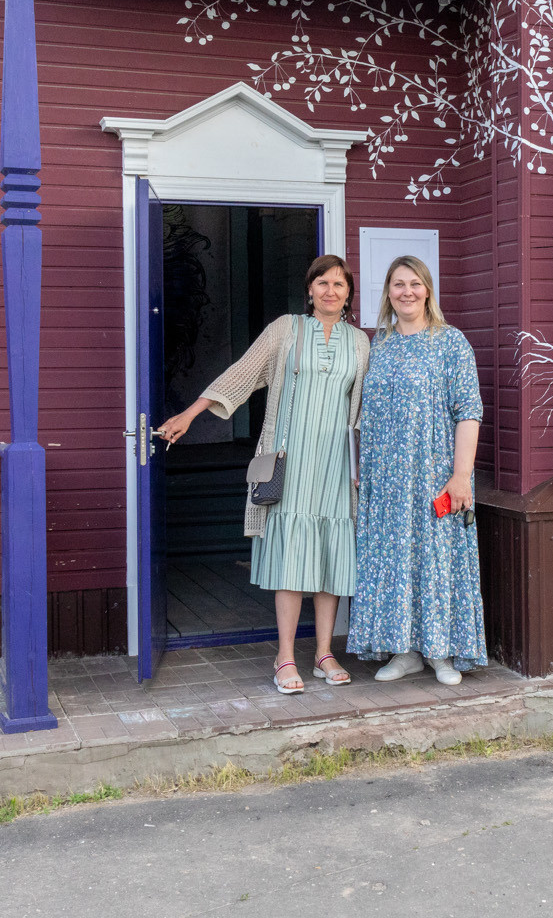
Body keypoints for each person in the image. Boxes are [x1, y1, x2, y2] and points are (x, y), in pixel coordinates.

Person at [157, 255, 369, 694]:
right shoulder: (285, 329)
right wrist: (190, 414)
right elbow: (242, 374)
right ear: (309, 289)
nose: (331, 291)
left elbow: (364, 409)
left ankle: (325, 653)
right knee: (292, 557)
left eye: (339, 284)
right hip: (289, 461)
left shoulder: (360, 343)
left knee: (331, 557)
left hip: (335, 465)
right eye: (322, 283)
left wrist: (363, 465)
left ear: (349, 293)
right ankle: (285, 656)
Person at [350, 255, 486, 685]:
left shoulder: (450, 342)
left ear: (428, 290)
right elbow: (365, 414)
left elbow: (469, 411)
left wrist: (461, 474)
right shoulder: (379, 344)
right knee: (394, 561)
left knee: (438, 558)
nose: (406, 291)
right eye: (397, 285)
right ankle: (405, 651)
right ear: (387, 293)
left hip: (436, 474)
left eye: (414, 283)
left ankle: (442, 653)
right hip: (388, 480)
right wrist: (363, 469)